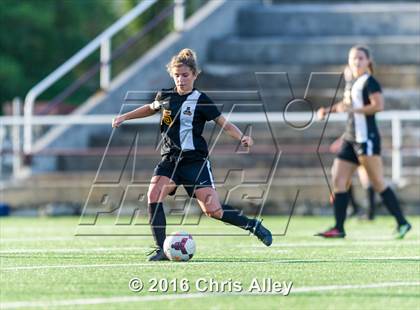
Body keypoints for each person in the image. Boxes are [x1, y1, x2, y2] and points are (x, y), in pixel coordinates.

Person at [112, 48, 272, 261]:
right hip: (169, 160)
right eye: (177, 75)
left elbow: (223, 123)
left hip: (194, 162)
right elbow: (150, 108)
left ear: (195, 75)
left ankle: (252, 225)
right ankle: (162, 249)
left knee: (213, 211)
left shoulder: (201, 100)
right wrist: (125, 116)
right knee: (153, 195)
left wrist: (242, 137)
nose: (181, 79)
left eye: (185, 75)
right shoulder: (165, 96)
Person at [316, 45, 411, 239]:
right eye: (353, 58)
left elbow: (378, 106)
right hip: (350, 139)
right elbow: (346, 105)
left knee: (377, 182)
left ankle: (402, 222)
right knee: (338, 178)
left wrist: (353, 110)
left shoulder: (370, 81)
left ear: (368, 61)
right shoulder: (352, 82)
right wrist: (327, 111)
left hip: (367, 139)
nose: (356, 61)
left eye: (360, 58)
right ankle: (339, 227)